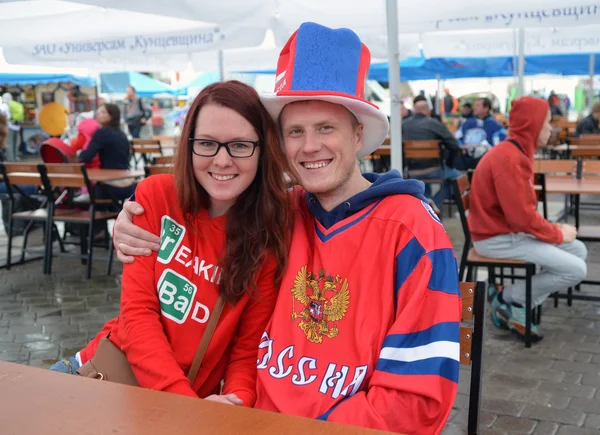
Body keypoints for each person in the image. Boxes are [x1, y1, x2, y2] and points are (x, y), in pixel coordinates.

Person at [111, 22, 461, 434]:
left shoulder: (411, 232)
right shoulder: (277, 213)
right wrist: (127, 222)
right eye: (295, 131)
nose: (309, 146)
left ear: (358, 133)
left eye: (325, 127)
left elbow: (415, 404)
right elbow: (195, 218)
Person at [50, 81, 292, 407]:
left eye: (239, 145)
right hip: (100, 382)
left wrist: (235, 403)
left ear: (263, 150)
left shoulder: (267, 240)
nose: (222, 161)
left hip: (181, 407)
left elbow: (246, 351)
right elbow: (138, 317)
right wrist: (185, 407)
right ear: (189, 145)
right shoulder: (157, 197)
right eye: (207, 143)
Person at [468, 96, 587, 342]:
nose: (551, 128)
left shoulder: (514, 152)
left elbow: (522, 215)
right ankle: (509, 299)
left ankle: (514, 301)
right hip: (496, 238)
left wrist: (556, 230)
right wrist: (557, 232)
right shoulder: (510, 158)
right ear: (532, 125)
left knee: (578, 250)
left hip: (502, 232)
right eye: (547, 123)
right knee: (577, 268)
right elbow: (522, 217)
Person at [402, 100, 462, 209]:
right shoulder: (434, 123)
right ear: (427, 111)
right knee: (460, 179)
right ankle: (434, 203)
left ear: (415, 111)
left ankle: (425, 206)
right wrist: (449, 164)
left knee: (424, 184)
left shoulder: (403, 125)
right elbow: (454, 145)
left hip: (411, 171)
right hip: (434, 169)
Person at [76, 104, 136, 202]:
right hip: (128, 185)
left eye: (103, 112)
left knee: (81, 197)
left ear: (111, 116)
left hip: (109, 187)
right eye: (98, 111)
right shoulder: (122, 134)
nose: (98, 114)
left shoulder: (101, 133)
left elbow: (86, 157)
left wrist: (78, 153)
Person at [455, 97, 507, 169]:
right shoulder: (467, 123)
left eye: (478, 105)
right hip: (465, 156)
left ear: (486, 109)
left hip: (485, 160)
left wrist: (485, 147)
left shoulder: (496, 126)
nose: (474, 108)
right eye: (475, 105)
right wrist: (461, 146)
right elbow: (457, 138)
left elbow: (498, 146)